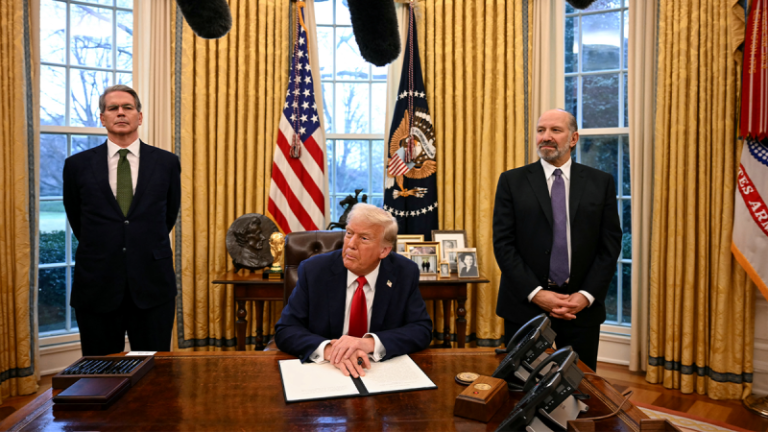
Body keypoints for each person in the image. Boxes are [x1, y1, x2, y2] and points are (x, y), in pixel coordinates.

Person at [492, 109, 621, 371]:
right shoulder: (512, 181)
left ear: (573, 138)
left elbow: (609, 246)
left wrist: (586, 296)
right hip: (525, 306)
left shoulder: (601, 182)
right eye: (541, 130)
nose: (546, 136)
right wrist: (537, 294)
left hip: (580, 308)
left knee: (579, 385)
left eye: (555, 130)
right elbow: (504, 244)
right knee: (520, 383)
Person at [63, 85, 181, 356]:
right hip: (97, 284)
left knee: (153, 369)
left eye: (127, 107)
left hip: (152, 284)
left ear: (139, 116)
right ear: (102, 118)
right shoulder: (77, 165)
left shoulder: (167, 163)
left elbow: (168, 215)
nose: (120, 112)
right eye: (112, 108)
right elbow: (77, 218)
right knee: (100, 371)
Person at [275, 203, 433, 377]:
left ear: (384, 250)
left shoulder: (404, 272)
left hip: (378, 371)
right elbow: (286, 329)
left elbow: (421, 329)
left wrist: (368, 343)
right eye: (349, 233)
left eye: (364, 238)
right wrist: (331, 351)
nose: (351, 244)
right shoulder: (314, 270)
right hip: (327, 371)